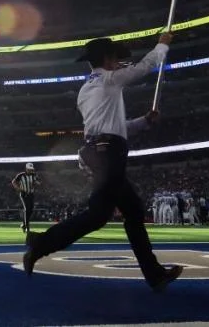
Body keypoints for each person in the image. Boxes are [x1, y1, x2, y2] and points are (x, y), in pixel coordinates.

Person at [23, 33, 183, 292]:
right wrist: (162, 45)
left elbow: (114, 127)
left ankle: (155, 275)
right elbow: (145, 66)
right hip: (108, 152)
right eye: (116, 58)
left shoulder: (87, 89)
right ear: (108, 59)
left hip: (99, 150)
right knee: (99, 215)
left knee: (132, 211)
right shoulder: (109, 80)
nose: (119, 63)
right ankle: (40, 244)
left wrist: (144, 122)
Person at [11, 163, 39, 233]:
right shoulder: (21, 175)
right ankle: (27, 227)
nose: (30, 171)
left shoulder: (33, 175)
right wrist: (18, 188)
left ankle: (24, 224)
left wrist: (36, 183)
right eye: (29, 169)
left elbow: (35, 182)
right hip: (24, 194)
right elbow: (13, 181)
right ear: (26, 169)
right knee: (27, 209)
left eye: (31, 169)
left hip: (31, 194)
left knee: (30, 210)